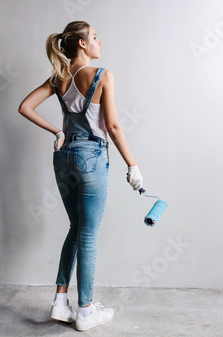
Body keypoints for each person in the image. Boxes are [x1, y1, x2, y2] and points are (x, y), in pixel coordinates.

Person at [18, 21, 143, 331]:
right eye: (96, 37)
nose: (100, 42)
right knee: (87, 235)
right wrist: (133, 165)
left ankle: (61, 303)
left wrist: (57, 131)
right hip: (91, 158)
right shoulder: (102, 76)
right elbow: (112, 127)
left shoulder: (59, 78)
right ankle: (86, 310)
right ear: (83, 44)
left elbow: (25, 106)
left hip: (63, 157)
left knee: (76, 227)